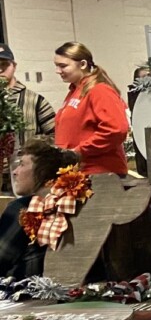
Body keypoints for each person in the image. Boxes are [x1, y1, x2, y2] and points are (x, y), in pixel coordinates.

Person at [0, 139, 82, 279]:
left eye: (22, 164)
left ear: (42, 171)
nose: (15, 172)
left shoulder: (23, 207)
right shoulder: (73, 203)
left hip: (23, 287)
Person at [53, 42, 128, 176]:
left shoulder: (99, 90)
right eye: (56, 66)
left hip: (100, 174)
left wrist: (79, 151)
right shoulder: (75, 91)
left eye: (63, 66)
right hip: (79, 173)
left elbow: (116, 129)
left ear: (82, 64)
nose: (58, 71)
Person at [0, 44, 55, 149]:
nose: (0, 70)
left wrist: (34, 153)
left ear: (14, 66)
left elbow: (56, 136)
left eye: (4, 64)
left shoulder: (35, 101)